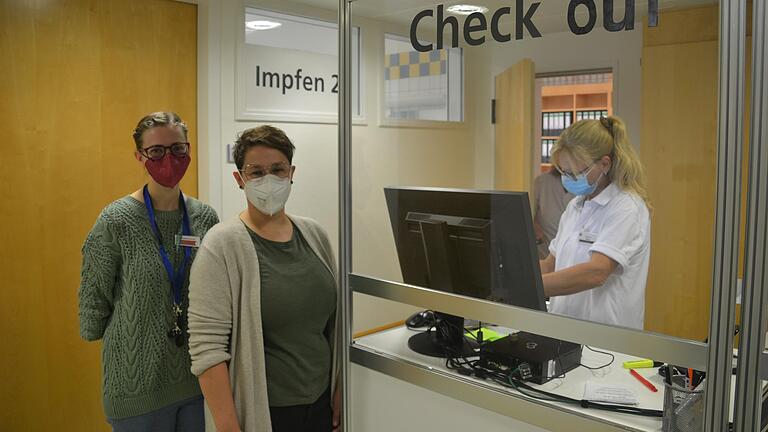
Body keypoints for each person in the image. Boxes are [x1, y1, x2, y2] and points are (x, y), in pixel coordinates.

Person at [188, 125, 341, 432]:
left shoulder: (314, 235)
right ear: (239, 179)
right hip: (266, 414)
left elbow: (332, 326)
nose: (268, 179)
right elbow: (207, 349)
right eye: (256, 172)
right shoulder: (222, 245)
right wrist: (228, 426)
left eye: (277, 169)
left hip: (321, 405)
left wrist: (339, 390)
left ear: (291, 172)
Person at [78, 112, 219, 431]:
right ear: (140, 155)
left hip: (197, 382)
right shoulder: (116, 221)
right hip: (135, 389)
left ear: (188, 150)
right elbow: (93, 306)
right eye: (156, 150)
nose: (168, 158)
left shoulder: (205, 219)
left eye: (177, 148)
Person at [540, 116, 651, 330]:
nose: (570, 179)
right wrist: (504, 277)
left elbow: (596, 272)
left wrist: (528, 286)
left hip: (606, 339)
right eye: (565, 172)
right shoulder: (575, 207)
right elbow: (550, 265)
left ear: (605, 164)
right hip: (565, 329)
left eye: (577, 173)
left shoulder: (626, 207)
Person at [533, 167, 574, 259]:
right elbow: (530, 212)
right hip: (545, 244)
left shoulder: (584, 186)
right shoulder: (542, 182)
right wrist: (535, 227)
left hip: (570, 248)